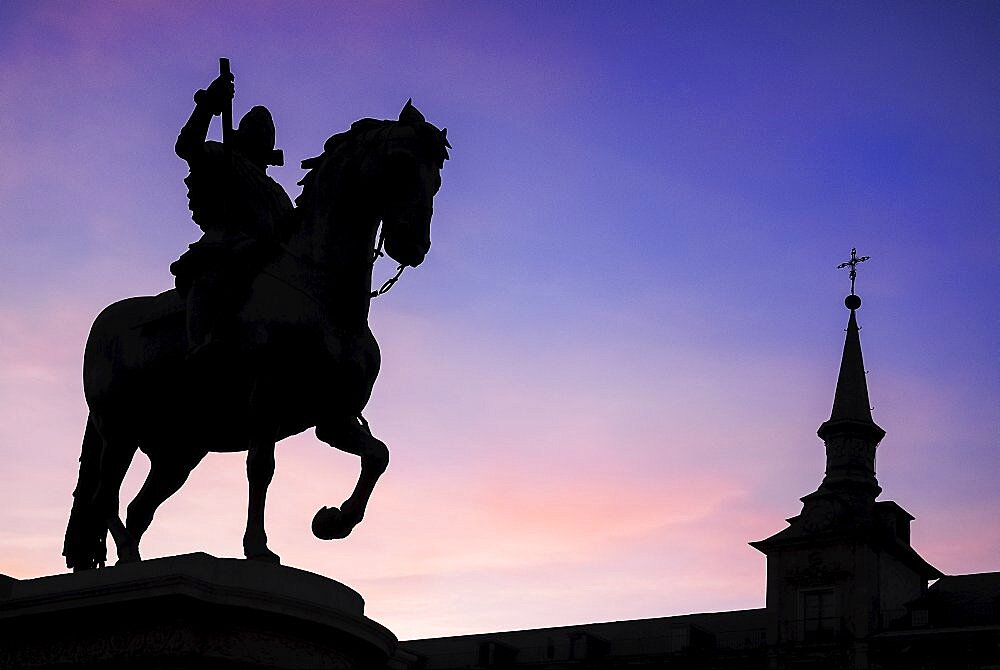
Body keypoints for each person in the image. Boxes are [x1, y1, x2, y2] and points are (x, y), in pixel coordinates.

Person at [170, 71, 294, 358]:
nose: (261, 131)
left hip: (270, 264)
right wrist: (208, 106)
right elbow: (187, 146)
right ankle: (201, 346)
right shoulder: (220, 157)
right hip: (224, 248)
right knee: (211, 280)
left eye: (266, 130)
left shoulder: (277, 192)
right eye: (254, 125)